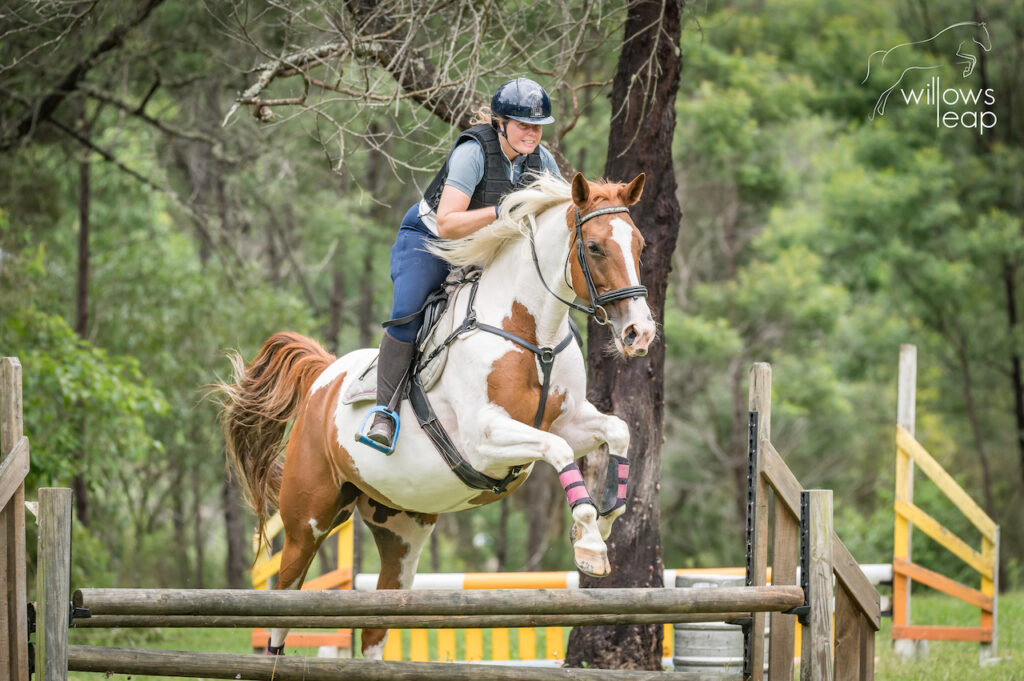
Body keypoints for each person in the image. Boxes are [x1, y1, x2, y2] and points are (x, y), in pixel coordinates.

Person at [357, 78, 564, 453]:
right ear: (500, 123)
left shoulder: (541, 160)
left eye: (537, 127)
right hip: (431, 240)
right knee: (408, 311)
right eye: (523, 125)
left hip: (486, 250)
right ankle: (384, 413)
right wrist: (503, 210)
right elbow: (450, 222)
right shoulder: (473, 152)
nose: (532, 134)